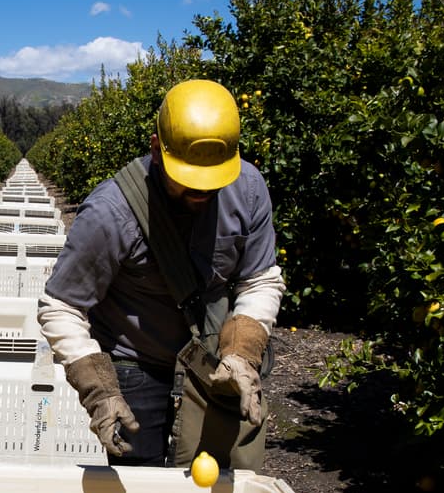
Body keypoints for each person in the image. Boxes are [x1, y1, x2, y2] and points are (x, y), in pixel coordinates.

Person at [37, 79, 285, 471]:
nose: (202, 191)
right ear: (156, 149)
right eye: (188, 180)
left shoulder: (249, 188)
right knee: (141, 486)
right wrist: (98, 389)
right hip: (137, 359)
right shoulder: (110, 213)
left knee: (220, 478)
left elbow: (260, 279)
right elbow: (61, 306)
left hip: (212, 357)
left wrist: (242, 352)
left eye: (213, 180)